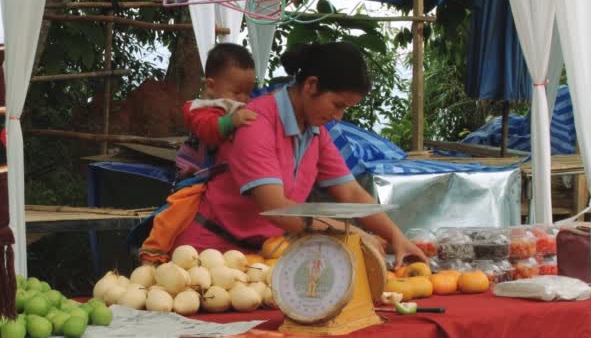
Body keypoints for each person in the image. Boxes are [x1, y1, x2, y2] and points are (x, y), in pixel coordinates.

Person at [164, 42, 427, 268]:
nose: (339, 116)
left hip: (265, 258)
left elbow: (352, 193)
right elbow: (277, 209)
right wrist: (352, 232)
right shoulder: (256, 122)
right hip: (209, 258)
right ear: (311, 85)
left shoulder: (315, 131)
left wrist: (397, 237)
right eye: (337, 105)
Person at [175, 43, 257, 180]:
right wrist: (232, 121)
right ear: (211, 86)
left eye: (248, 92)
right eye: (237, 92)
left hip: (221, 172)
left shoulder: (242, 105)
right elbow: (208, 129)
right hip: (194, 174)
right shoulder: (199, 109)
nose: (243, 98)